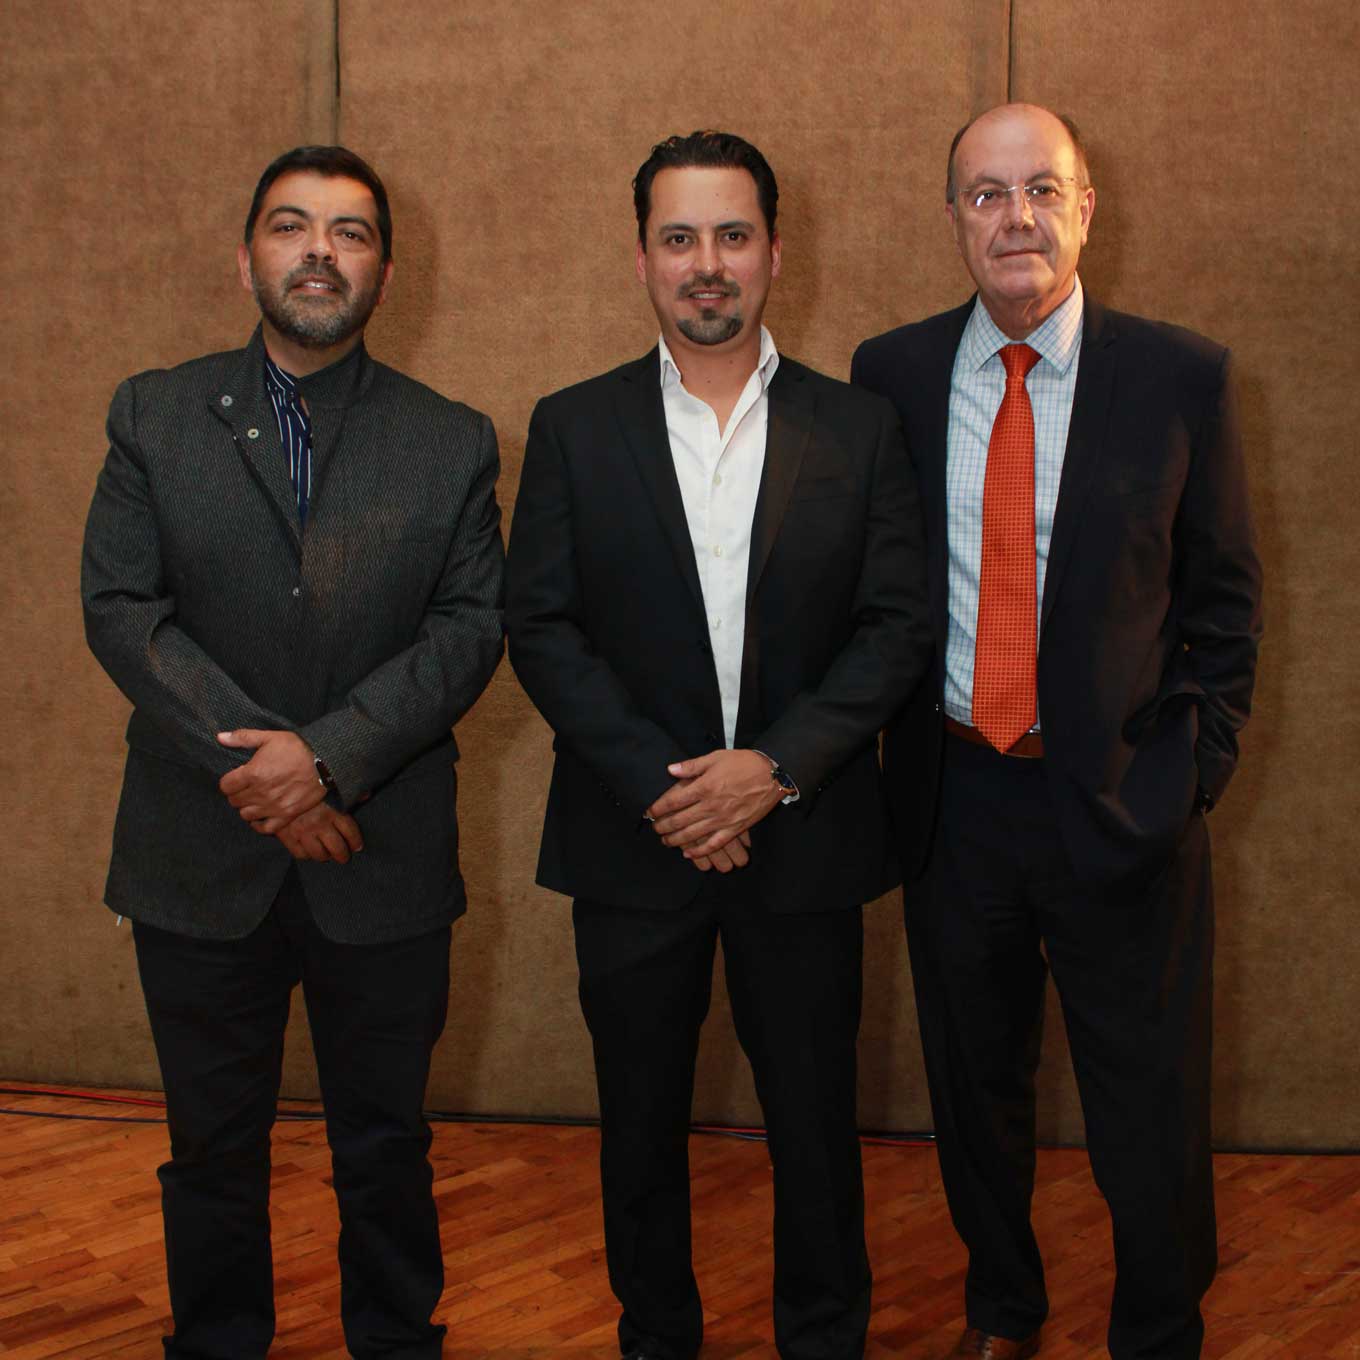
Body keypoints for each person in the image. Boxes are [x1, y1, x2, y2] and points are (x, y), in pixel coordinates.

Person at [505, 130, 931, 1360]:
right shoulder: (573, 426)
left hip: (806, 840)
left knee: (816, 1128)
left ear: (775, 253)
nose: (707, 263)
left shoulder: (857, 428)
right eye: (680, 238)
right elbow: (542, 627)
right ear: (642, 257)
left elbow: (896, 626)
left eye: (732, 236)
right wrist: (674, 789)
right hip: (632, 845)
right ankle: (656, 1337)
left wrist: (773, 770)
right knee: (638, 1129)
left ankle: (824, 1338)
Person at [852, 104, 1263, 1360]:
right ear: (952, 219)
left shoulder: (1182, 376)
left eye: (1041, 189)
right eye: (985, 193)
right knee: (974, 1087)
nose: (1015, 216)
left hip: (1124, 799)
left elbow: (1224, 599)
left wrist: (1191, 771)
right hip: (953, 799)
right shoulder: (892, 375)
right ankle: (1001, 1307)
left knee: (1148, 1095)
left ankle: (1157, 1327)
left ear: (1087, 207)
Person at [81, 145, 504, 1359]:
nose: (320, 249)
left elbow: (469, 629)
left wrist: (324, 763)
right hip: (196, 855)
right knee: (211, 1147)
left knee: (386, 1143)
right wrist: (269, 778)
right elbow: (122, 610)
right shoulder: (153, 413)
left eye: (350, 231)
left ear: (385, 272)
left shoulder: (452, 439)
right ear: (247, 258)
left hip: (382, 853)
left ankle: (395, 1340)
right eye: (291, 225)